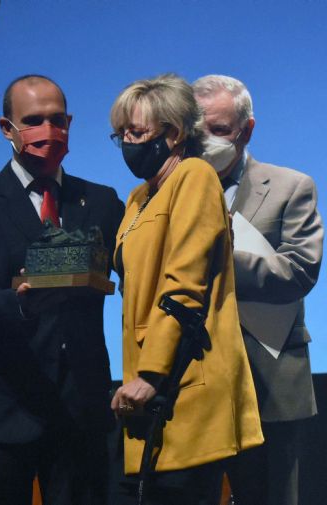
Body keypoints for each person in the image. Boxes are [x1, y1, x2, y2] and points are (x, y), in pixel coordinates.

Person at [0, 74, 125, 505]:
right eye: (34, 121)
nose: (49, 133)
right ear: (7, 129)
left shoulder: (101, 201)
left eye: (57, 120)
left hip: (79, 410)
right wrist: (24, 304)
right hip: (0, 413)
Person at [108, 74, 263, 505]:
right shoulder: (139, 197)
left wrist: (151, 375)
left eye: (136, 133)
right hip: (148, 391)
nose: (127, 143)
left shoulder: (194, 177)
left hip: (182, 381)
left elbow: (183, 286)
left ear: (173, 134)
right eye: (120, 133)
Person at [193, 74, 324, 505]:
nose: (206, 140)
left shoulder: (291, 186)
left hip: (269, 378)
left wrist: (216, 261)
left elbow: (299, 271)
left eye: (219, 130)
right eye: (197, 130)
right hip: (194, 380)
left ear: (246, 130)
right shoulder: (168, 192)